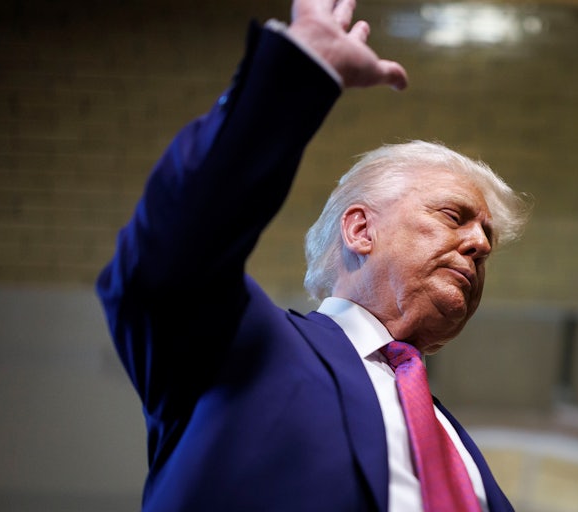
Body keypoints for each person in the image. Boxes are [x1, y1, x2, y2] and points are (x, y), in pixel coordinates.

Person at [97, 0, 529, 510]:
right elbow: (168, 259)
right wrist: (298, 71)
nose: (479, 245)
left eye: (488, 240)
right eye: (454, 216)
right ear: (360, 230)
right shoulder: (245, 346)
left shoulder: (461, 451)